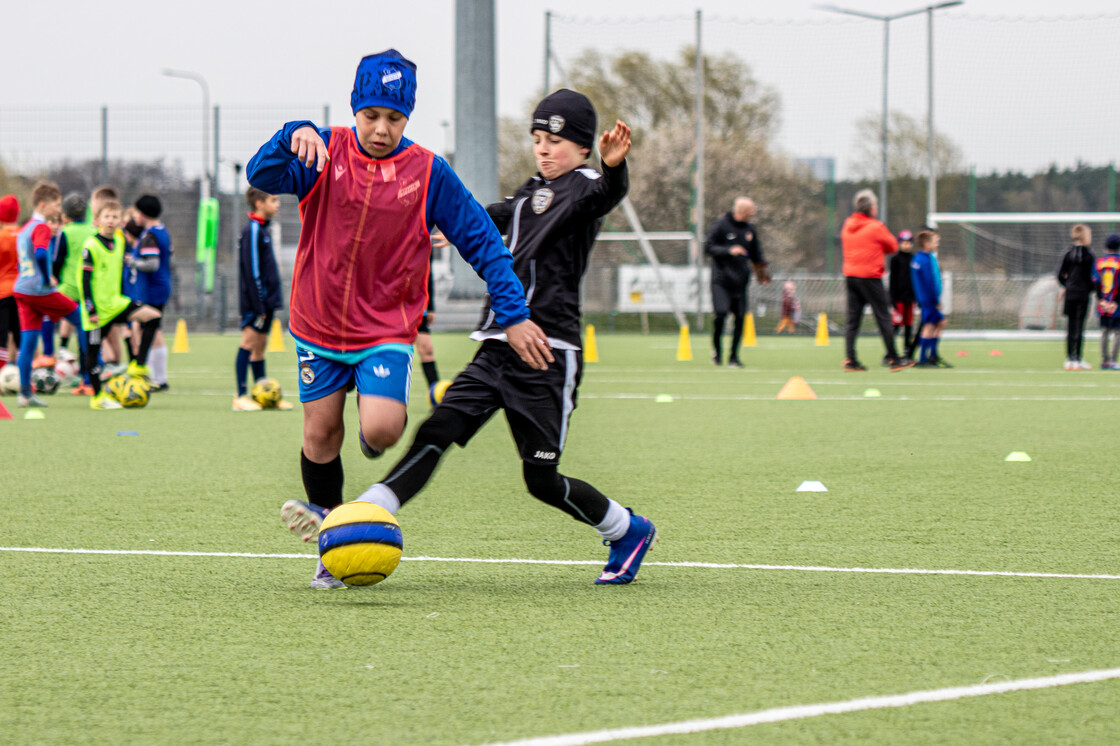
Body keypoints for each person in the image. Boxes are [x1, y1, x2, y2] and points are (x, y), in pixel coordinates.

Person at [288, 89, 657, 590]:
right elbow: (490, 217)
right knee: (437, 430)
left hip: (546, 352)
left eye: (556, 142)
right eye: (538, 140)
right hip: (497, 344)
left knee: (541, 480)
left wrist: (614, 168)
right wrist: (440, 220)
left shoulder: (585, 185)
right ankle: (363, 510)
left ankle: (626, 529)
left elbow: (605, 196)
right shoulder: (531, 190)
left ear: (583, 148)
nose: (544, 149)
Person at [248, 49, 551, 588]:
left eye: (394, 118)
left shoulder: (428, 172)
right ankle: (330, 542)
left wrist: (513, 312)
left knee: (383, 430)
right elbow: (261, 174)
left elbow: (483, 240)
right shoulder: (324, 152)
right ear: (355, 110)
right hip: (318, 325)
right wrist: (292, 132)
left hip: (384, 328)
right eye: (371, 116)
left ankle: (371, 431)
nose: (382, 129)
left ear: (407, 117)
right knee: (321, 435)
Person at [78, 199, 162, 409]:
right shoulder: (91, 245)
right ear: (98, 219)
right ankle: (97, 397)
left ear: (120, 221)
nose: (110, 221)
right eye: (106, 216)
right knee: (93, 352)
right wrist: (90, 308)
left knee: (153, 317)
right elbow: (84, 280)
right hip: (98, 309)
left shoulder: (119, 239)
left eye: (115, 217)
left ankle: (138, 365)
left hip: (116, 303)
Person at [11, 181, 83, 407]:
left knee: (28, 342)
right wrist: (46, 277)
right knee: (82, 318)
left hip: (22, 289)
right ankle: (91, 375)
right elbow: (41, 254)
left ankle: (25, 394)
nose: (59, 210)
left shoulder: (25, 229)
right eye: (57, 204)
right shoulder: (41, 227)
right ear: (43, 204)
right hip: (39, 290)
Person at [840, 189, 913, 372]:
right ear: (872, 208)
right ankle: (894, 358)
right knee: (883, 317)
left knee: (852, 320)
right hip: (870, 277)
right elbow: (893, 246)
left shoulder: (848, 225)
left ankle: (850, 359)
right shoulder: (875, 226)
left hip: (851, 276)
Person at [233, 187, 290, 411]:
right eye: (273, 200)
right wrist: (259, 305)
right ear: (259, 203)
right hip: (256, 303)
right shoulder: (253, 230)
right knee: (248, 343)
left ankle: (262, 393)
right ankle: (240, 396)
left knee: (260, 347)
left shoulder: (265, 228)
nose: (278, 204)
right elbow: (253, 271)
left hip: (266, 301)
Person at [705, 197, 770, 367]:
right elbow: (708, 247)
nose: (753, 213)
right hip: (721, 281)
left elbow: (756, 255)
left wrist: (763, 273)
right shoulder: (721, 225)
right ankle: (717, 352)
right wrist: (729, 250)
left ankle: (734, 357)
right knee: (721, 314)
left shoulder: (750, 230)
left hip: (740, 282)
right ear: (742, 211)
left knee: (740, 318)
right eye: (751, 210)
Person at [129, 194, 172, 388]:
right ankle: (156, 377)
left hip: (152, 289)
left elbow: (152, 264)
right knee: (151, 330)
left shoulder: (149, 235)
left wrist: (131, 261)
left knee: (148, 328)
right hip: (160, 286)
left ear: (142, 214)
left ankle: (152, 375)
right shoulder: (162, 230)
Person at [910, 229, 951, 368]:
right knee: (929, 326)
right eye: (935, 241)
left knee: (940, 323)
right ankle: (924, 358)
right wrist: (935, 300)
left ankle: (932, 355)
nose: (937, 244)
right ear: (926, 243)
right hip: (929, 300)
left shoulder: (920, 258)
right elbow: (929, 282)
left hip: (925, 299)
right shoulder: (925, 260)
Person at [1057, 224, 1095, 370]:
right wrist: (1091, 289)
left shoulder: (1068, 253)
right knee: (1080, 326)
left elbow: (1060, 274)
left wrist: (1067, 286)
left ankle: (1069, 359)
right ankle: (1077, 358)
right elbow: (1093, 277)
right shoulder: (1089, 255)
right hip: (1083, 294)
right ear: (1085, 237)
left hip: (1070, 294)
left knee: (1070, 326)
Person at [1092, 233, 1120, 370]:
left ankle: (1104, 360)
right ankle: (1113, 361)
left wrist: (1101, 300)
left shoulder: (1099, 262)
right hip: (1116, 304)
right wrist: (1115, 302)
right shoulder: (1118, 262)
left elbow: (1095, 282)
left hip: (1102, 304)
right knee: (1117, 332)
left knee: (1104, 331)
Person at [888, 229, 917, 360]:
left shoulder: (914, 259)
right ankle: (891, 352)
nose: (906, 245)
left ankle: (907, 350)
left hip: (910, 298)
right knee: (896, 325)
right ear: (899, 243)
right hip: (898, 298)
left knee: (908, 325)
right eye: (904, 243)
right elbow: (892, 280)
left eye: (909, 243)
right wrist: (892, 299)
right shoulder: (895, 260)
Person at [0, 194, 21, 367]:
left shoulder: (1, 237)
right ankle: (25, 377)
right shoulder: (24, 234)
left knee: (1, 338)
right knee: (22, 338)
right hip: (22, 291)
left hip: (3, 292)